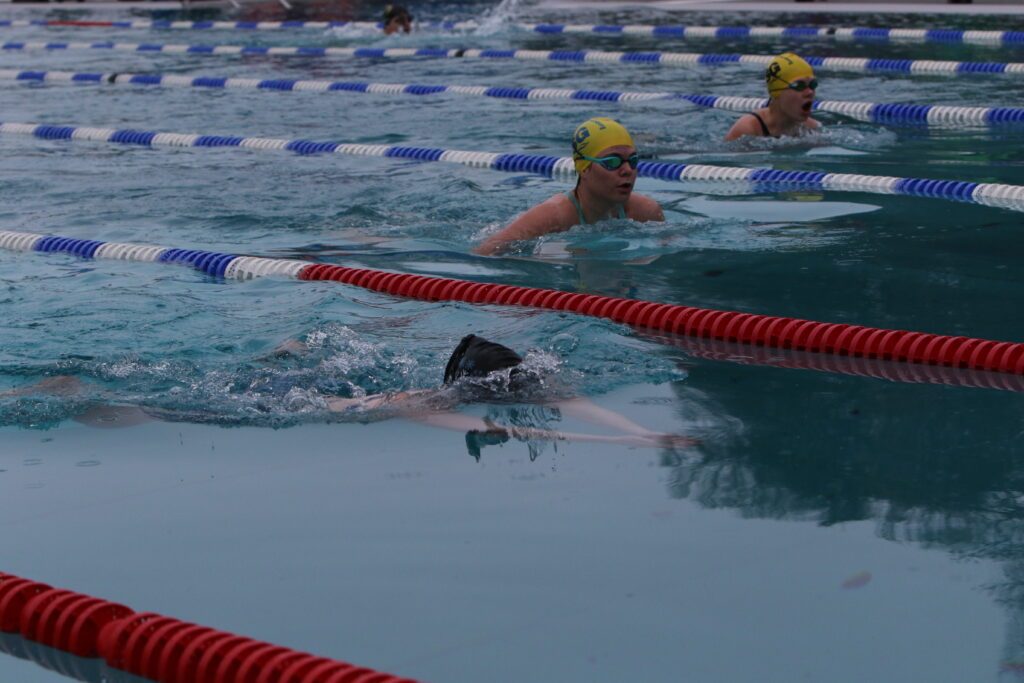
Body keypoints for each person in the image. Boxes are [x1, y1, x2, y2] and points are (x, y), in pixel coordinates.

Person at [1, 336, 696, 453]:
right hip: (271, 401)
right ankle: (53, 386)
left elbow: (560, 404)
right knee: (117, 405)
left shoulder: (449, 391)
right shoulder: (425, 406)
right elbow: (514, 433)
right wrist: (622, 444)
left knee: (289, 362)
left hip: (303, 384)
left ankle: (283, 349)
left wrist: (639, 435)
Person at [474, 117, 664, 256]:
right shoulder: (553, 216)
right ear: (584, 167)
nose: (627, 170)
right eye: (612, 162)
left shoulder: (646, 212)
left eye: (632, 160)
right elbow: (484, 251)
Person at [724, 52, 821, 142]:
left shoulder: (811, 128)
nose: (810, 92)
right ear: (777, 91)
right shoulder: (749, 129)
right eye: (799, 86)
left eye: (813, 85)